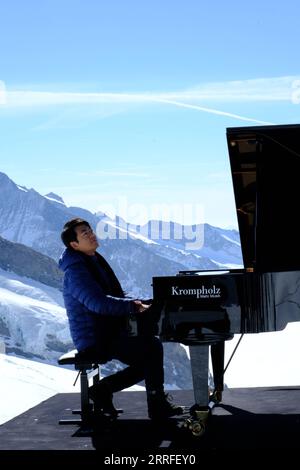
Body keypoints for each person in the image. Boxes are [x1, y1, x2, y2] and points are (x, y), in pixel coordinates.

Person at [59, 217, 183, 420]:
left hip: (107, 330)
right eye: (85, 234)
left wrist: (145, 302)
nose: (92, 235)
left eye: (90, 230)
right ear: (74, 244)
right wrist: (133, 306)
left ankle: (104, 390)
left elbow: (113, 295)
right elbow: (97, 303)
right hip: (94, 338)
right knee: (150, 349)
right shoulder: (76, 271)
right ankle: (154, 405)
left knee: (150, 350)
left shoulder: (93, 260)